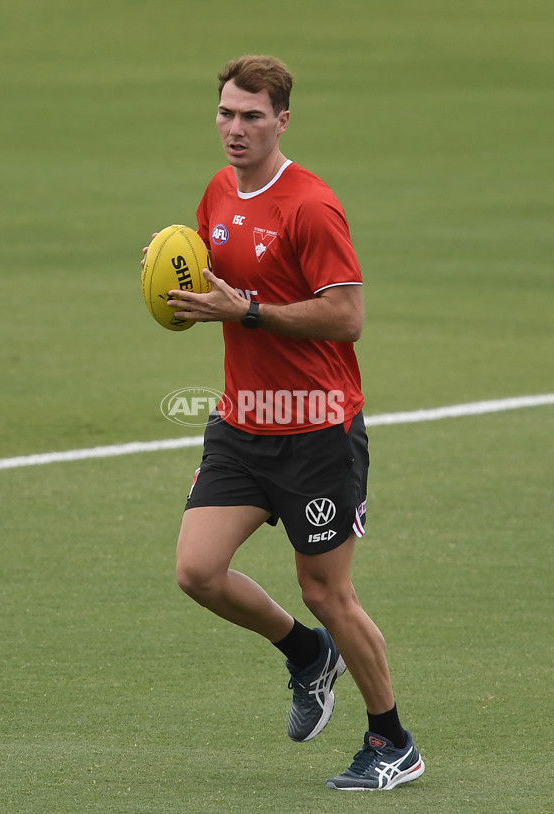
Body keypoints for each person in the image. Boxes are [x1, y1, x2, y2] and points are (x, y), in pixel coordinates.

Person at [149, 55, 425, 791]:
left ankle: (392, 740)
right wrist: (170, 276)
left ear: (282, 121)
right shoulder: (214, 192)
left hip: (315, 430)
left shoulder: (310, 205)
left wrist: (246, 309)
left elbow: (348, 316)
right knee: (196, 571)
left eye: (251, 116)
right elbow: (214, 278)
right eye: (225, 113)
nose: (235, 129)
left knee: (327, 592)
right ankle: (307, 655)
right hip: (243, 423)